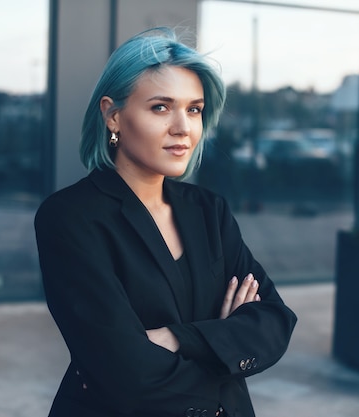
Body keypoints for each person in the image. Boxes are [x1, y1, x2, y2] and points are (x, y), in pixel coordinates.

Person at [35, 27, 297, 417]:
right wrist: (223, 346)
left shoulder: (209, 210)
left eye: (194, 108)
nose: (184, 128)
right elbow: (128, 375)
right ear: (113, 116)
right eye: (161, 107)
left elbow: (274, 321)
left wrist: (177, 337)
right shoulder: (70, 217)